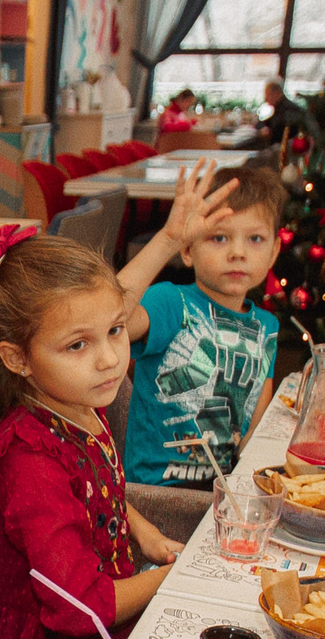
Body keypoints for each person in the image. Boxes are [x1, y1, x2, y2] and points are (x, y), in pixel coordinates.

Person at [0, 220, 217, 639]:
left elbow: (94, 487)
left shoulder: (75, 400)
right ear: (17, 358)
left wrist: (142, 530)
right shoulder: (30, 460)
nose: (110, 359)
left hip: (111, 619)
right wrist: (173, 578)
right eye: (78, 344)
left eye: (116, 330)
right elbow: (81, 607)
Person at [119, 162, 282, 490]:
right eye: (219, 238)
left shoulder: (268, 326)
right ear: (188, 249)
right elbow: (105, 318)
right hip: (158, 495)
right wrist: (167, 239)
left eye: (255, 239)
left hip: (226, 493)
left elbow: (255, 431)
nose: (237, 252)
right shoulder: (169, 302)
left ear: (274, 251)